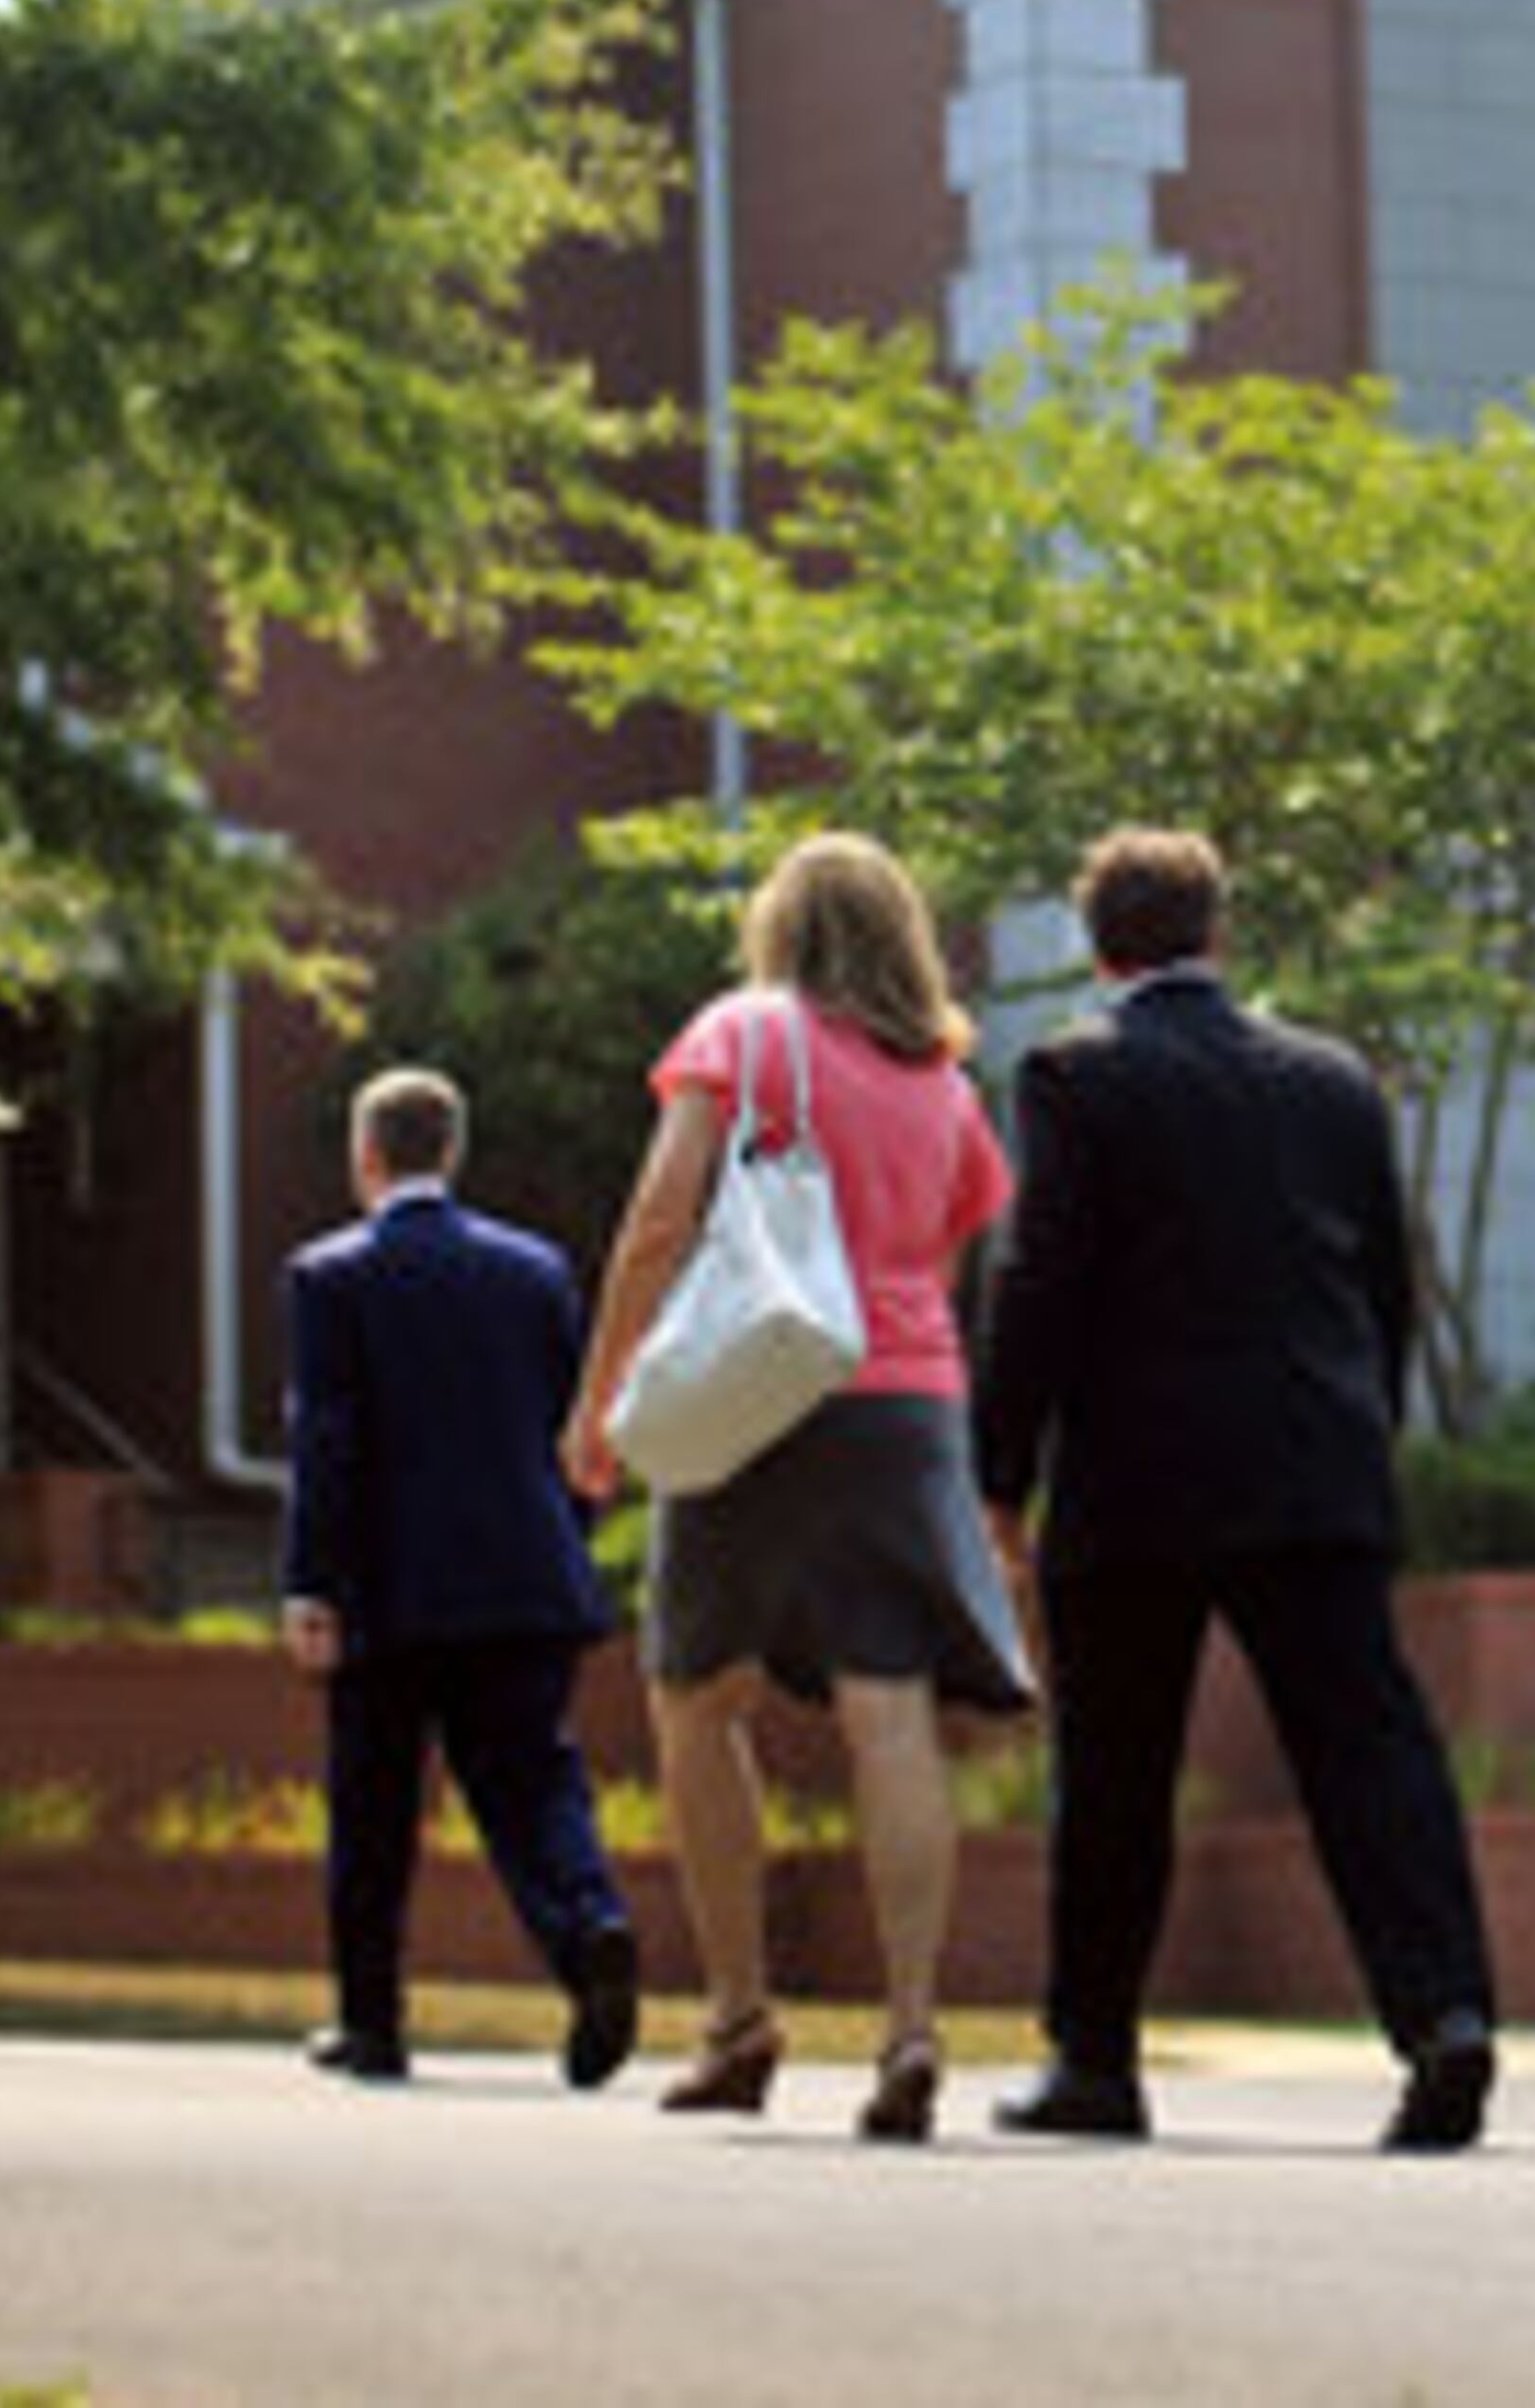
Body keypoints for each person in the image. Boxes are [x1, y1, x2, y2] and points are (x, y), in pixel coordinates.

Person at [972, 823, 1500, 2155]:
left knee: (1117, 1772)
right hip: (1312, 1466)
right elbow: (1385, 1283)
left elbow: (1039, 1286)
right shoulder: (1333, 1080)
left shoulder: (1075, 1074)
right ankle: (1444, 2016)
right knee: (1368, 1750)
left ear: (1099, 949)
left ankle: (1096, 2059)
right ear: (1219, 933)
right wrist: (1363, 1434)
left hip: (1135, 1479)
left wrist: (999, 1476)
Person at [563, 830, 1031, 2144]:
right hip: (908, 1401)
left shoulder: (744, 1035)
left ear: (782, 925)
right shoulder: (944, 1083)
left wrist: (598, 1399)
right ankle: (914, 2030)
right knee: (890, 1707)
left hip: (758, 1391)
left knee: (696, 1694)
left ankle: (739, 2019)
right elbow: (947, 1248)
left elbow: (663, 1219)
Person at [279, 1065, 640, 2094]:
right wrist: (564, 1539)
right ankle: (591, 1931)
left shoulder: (328, 1275)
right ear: (454, 1153)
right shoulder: (535, 1272)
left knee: (374, 1805)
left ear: (367, 1155)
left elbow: (327, 1439)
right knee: (534, 1783)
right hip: (523, 1578)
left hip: (388, 1589)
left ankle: (372, 2024)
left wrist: (313, 1585)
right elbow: (575, 1432)